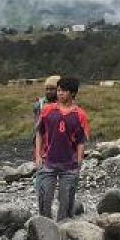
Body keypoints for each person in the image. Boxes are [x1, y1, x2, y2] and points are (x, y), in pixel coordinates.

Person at [34, 75, 89, 220]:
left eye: (63, 91)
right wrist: (38, 155)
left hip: (69, 165)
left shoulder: (80, 115)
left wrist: (79, 161)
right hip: (48, 162)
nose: (59, 93)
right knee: (44, 199)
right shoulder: (47, 110)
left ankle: (64, 231)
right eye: (58, 90)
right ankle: (44, 229)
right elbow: (39, 133)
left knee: (66, 203)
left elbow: (81, 141)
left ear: (72, 93)